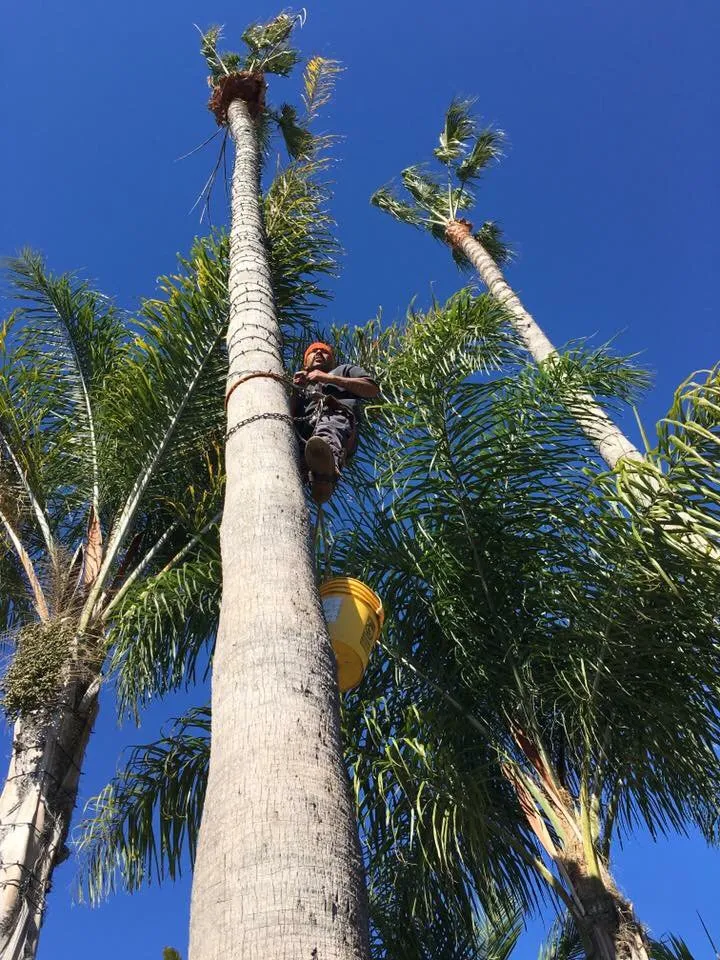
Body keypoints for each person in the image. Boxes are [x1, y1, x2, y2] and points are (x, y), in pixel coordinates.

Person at [291, 341, 379, 504]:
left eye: (324, 351)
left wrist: (328, 378)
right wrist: (296, 390)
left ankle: (326, 467)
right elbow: (288, 417)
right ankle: (317, 478)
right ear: (305, 363)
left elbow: (371, 389)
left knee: (327, 432)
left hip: (335, 418)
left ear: (332, 361)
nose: (318, 353)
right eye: (313, 351)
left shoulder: (344, 370)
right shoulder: (303, 387)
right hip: (303, 436)